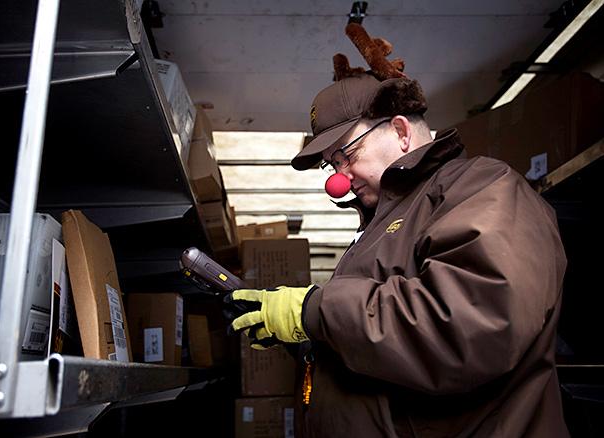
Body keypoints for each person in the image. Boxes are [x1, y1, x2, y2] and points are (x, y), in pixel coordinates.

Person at [225, 24, 568, 437]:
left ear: (402, 131)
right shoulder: (382, 222)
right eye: (331, 165)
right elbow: (381, 349)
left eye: (346, 155)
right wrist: (306, 336)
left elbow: (468, 325)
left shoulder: (483, 188)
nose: (339, 179)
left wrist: (314, 310)